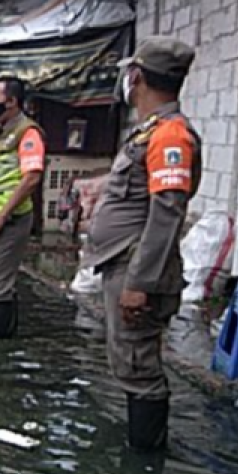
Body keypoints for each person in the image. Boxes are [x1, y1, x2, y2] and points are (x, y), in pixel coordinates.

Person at [83, 36, 202, 453]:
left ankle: (146, 462)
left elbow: (167, 212)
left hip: (137, 268)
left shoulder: (170, 136)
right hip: (125, 263)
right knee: (129, 361)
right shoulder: (150, 132)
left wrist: (140, 282)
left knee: (139, 366)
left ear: (136, 77)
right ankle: (142, 446)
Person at [0, 77, 45, 338]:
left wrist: (1, 218)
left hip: (8, 220)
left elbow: (32, 177)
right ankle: (5, 332)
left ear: (12, 101)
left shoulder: (28, 133)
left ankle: (2, 344)